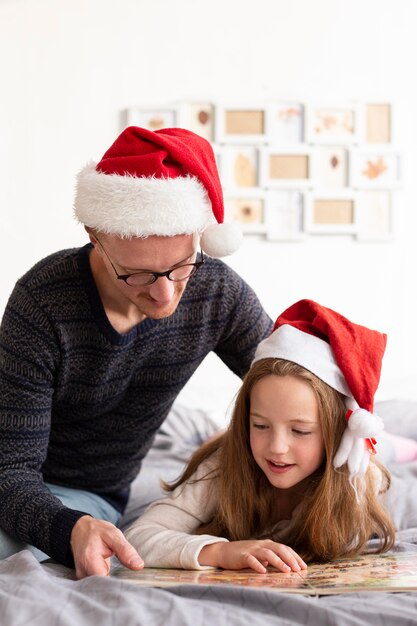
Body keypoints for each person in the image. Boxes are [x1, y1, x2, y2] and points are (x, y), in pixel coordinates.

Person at [0, 126, 273, 578]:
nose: (165, 295)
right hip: (26, 483)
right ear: (95, 234)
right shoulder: (43, 301)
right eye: (138, 274)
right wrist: (70, 529)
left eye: (180, 266)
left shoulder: (216, 292)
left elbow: (290, 375)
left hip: (92, 491)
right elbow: (9, 469)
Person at [125, 299, 396, 573]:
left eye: (300, 431)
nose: (277, 448)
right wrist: (218, 551)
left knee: (387, 448)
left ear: (338, 433)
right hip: (218, 441)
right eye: (260, 426)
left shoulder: (358, 478)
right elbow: (139, 536)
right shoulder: (221, 468)